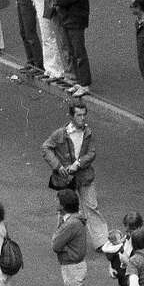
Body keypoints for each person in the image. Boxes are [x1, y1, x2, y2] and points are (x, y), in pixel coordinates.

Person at [42, 101, 107, 249]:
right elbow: (46, 148)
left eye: (84, 115)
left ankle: (101, 242)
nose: (82, 118)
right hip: (66, 179)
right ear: (71, 116)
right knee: (65, 210)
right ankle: (61, 242)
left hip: (84, 176)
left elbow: (91, 153)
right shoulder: (60, 133)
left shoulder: (88, 133)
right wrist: (58, 167)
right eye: (79, 115)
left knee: (92, 207)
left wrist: (78, 163)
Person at [54, 0, 90, 97]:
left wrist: (57, 0)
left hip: (75, 22)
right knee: (72, 52)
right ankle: (79, 81)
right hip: (67, 20)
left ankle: (85, 84)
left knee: (79, 53)